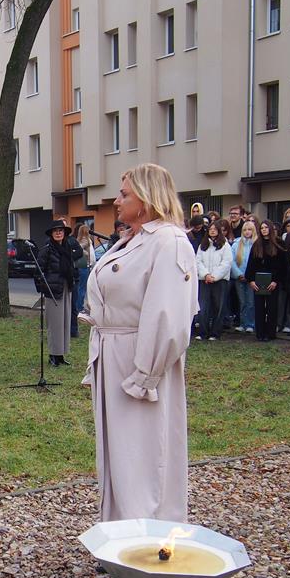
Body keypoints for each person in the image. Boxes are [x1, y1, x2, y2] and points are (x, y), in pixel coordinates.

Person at [80, 163, 197, 522]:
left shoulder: (168, 241)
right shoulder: (132, 239)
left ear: (146, 198)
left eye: (124, 194)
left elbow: (168, 316)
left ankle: (146, 532)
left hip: (138, 360)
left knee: (142, 454)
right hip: (114, 355)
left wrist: (145, 374)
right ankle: (119, 530)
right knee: (118, 452)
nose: (116, 201)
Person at [37, 219, 81, 365]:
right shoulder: (47, 249)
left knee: (65, 323)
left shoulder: (67, 248)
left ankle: (61, 354)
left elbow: (71, 266)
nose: (58, 233)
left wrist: (73, 279)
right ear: (51, 234)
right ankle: (53, 355)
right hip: (53, 290)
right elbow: (38, 271)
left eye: (60, 230)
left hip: (66, 287)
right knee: (55, 324)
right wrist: (44, 288)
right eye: (55, 231)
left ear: (64, 233)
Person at [246, 219, 285, 340]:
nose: (264, 230)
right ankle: (260, 333)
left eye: (266, 228)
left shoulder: (279, 244)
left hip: (272, 280)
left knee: (272, 307)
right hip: (258, 280)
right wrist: (251, 280)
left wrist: (275, 281)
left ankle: (270, 333)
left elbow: (283, 265)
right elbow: (251, 264)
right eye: (262, 228)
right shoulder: (257, 244)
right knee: (259, 308)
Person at [194, 220, 232, 340]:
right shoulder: (203, 245)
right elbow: (198, 261)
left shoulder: (225, 245)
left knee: (218, 307)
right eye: (210, 229)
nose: (212, 231)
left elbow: (226, 263)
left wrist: (214, 276)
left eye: (215, 229)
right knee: (203, 307)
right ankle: (203, 332)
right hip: (204, 280)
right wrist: (206, 275)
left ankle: (215, 333)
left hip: (219, 281)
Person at [229, 217, 257, 333]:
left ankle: (250, 324)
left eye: (249, 229)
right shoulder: (236, 244)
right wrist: (239, 274)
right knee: (242, 302)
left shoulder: (256, 244)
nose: (247, 232)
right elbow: (232, 261)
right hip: (239, 277)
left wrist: (250, 276)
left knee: (251, 302)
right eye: (245, 230)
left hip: (252, 279)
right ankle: (242, 323)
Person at [71, 224, 94, 338]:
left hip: (82, 265)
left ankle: (78, 306)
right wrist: (86, 253)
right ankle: (79, 307)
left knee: (81, 287)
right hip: (84, 265)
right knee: (82, 288)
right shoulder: (85, 240)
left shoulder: (79, 239)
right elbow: (80, 250)